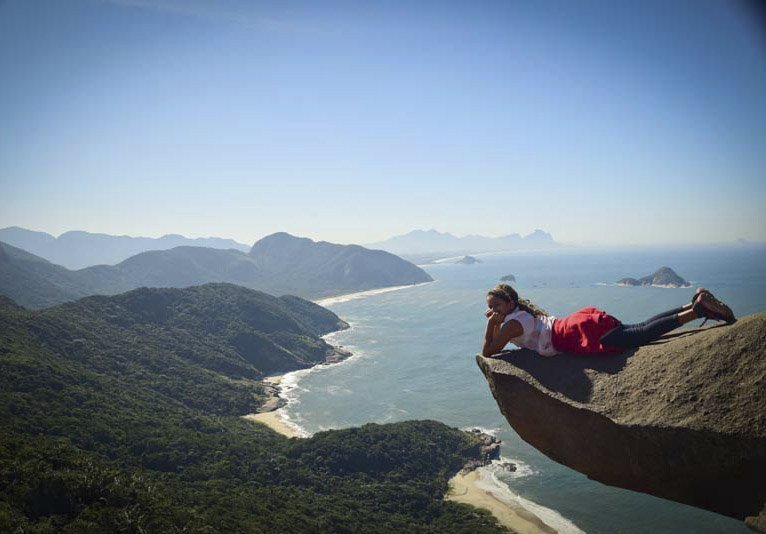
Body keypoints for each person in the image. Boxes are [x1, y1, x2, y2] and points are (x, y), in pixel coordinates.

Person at [482, 284, 736, 357]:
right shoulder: (518, 316)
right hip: (571, 324)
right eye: (489, 306)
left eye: (497, 305)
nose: (492, 309)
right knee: (636, 328)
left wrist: (491, 323)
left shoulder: (512, 324)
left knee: (639, 335)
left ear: (510, 304)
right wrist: (496, 320)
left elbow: (489, 351)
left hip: (571, 334)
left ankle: (698, 311)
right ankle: (692, 304)